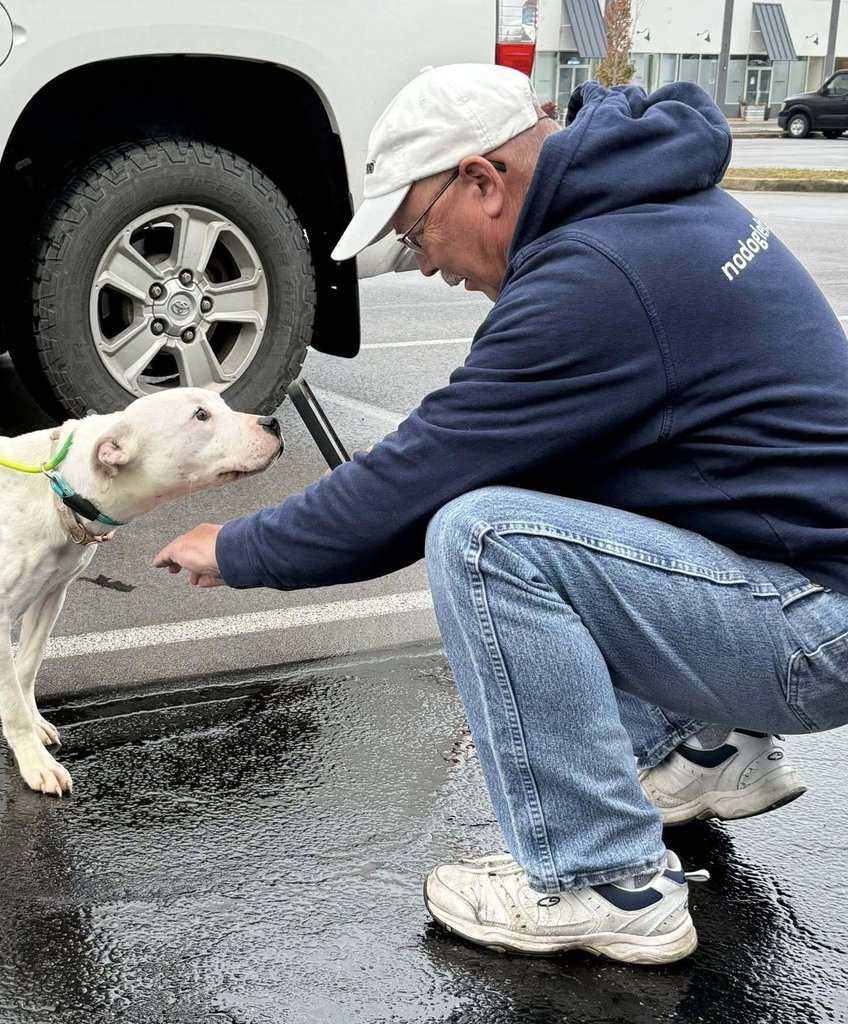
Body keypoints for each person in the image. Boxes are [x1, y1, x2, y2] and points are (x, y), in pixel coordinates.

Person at [152, 64, 848, 964]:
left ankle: (604, 880)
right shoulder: (657, 207)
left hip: (814, 634)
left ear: (482, 180)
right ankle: (705, 750)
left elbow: (421, 474)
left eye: (416, 233)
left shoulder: (595, 278)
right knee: (557, 480)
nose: (426, 264)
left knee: (485, 538)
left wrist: (242, 547)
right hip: (805, 587)